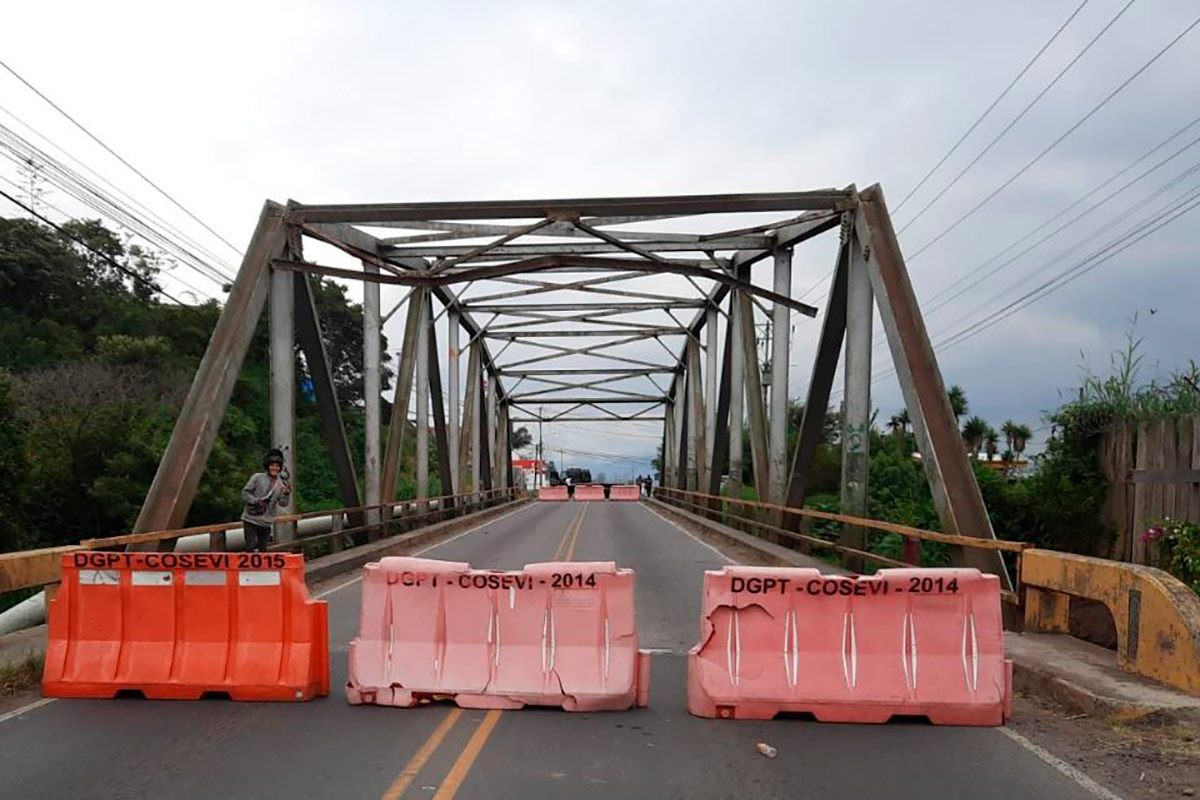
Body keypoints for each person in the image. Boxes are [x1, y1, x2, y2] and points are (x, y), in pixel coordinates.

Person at [241, 448, 291, 552]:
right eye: (272, 465)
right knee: (250, 546)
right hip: (251, 518)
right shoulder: (257, 477)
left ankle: (262, 568)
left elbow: (283, 504)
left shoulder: (281, 484)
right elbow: (245, 493)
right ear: (267, 466)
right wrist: (255, 501)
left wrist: (286, 494)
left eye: (277, 466)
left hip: (266, 520)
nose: (274, 468)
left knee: (263, 548)